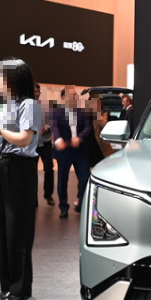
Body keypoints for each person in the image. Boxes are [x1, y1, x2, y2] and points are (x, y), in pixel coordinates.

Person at [0, 58, 40, 300]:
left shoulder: (29, 105)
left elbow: (24, 139)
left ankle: (20, 288)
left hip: (21, 169)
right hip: (3, 166)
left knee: (18, 231)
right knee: (2, 230)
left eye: (2, 77)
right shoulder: (6, 105)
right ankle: (7, 285)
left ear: (14, 79)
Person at [51, 85, 92, 218]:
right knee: (63, 180)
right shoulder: (56, 112)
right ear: (63, 97)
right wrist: (58, 139)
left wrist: (79, 137)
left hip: (80, 150)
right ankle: (63, 207)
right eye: (71, 95)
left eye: (75, 95)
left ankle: (80, 201)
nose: (74, 97)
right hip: (64, 150)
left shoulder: (83, 111)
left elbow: (88, 127)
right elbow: (54, 126)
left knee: (85, 178)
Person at [34, 83, 55, 206]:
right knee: (32, 171)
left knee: (49, 168)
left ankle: (48, 195)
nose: (36, 93)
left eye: (38, 91)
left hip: (46, 142)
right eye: (34, 91)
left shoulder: (45, 106)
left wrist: (47, 127)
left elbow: (51, 122)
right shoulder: (26, 106)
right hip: (32, 144)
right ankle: (33, 198)